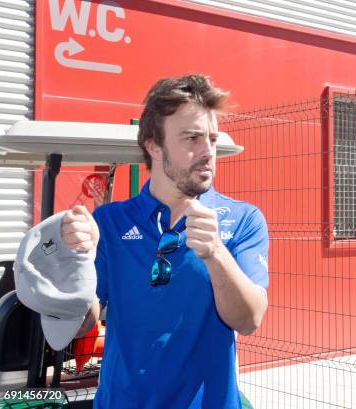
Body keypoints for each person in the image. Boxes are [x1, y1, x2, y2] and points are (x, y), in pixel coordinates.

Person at [61, 74, 269, 408]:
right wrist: (72, 263)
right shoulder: (110, 222)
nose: (208, 152)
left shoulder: (243, 219)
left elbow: (248, 320)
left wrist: (216, 253)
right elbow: (83, 321)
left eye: (212, 140)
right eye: (192, 138)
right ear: (153, 145)